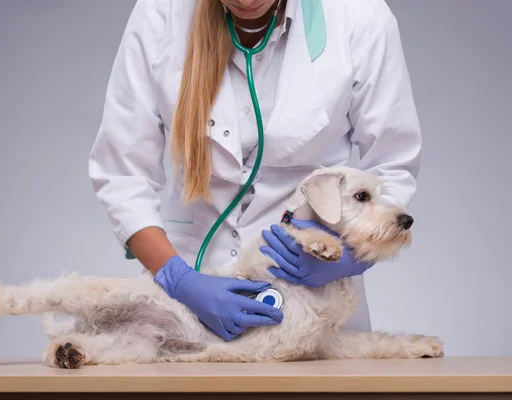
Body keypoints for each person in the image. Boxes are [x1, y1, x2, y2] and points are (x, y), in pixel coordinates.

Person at [88, 0, 421, 341]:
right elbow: (122, 173)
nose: (246, 1)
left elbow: (392, 164)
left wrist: (348, 260)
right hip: (185, 303)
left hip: (316, 302)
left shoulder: (359, 16)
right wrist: (178, 279)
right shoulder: (161, 13)